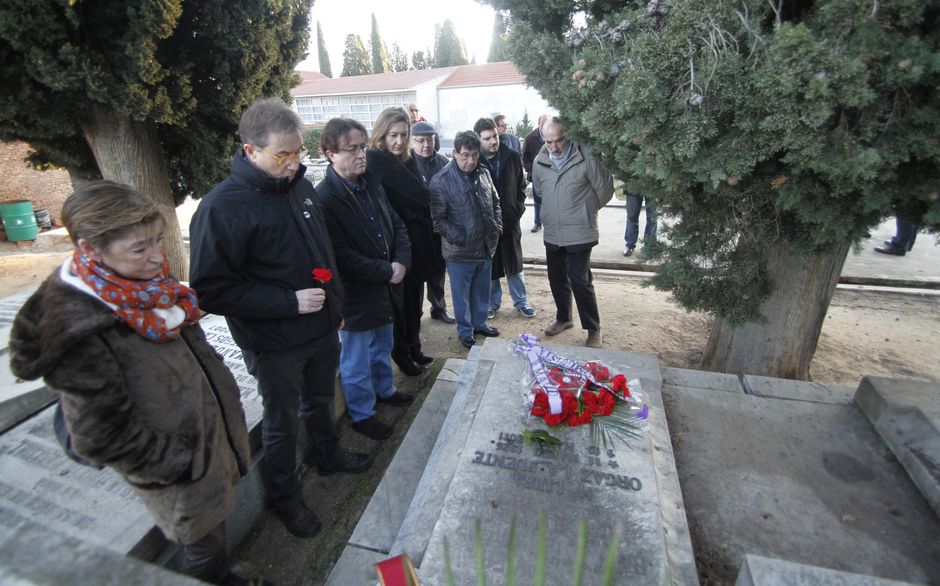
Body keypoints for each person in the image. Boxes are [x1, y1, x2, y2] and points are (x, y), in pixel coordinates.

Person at [8, 181, 255, 585]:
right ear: (90, 251)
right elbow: (100, 436)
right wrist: (182, 463)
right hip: (182, 472)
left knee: (215, 536)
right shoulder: (80, 331)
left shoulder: (140, 285)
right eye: (140, 248)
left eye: (158, 240)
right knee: (204, 550)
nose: (159, 257)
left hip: (209, 446)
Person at [189, 97, 372, 540]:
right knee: (281, 420)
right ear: (251, 151)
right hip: (274, 341)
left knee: (321, 399)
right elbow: (211, 290)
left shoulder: (298, 186)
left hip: (321, 326)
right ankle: (286, 497)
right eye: (283, 155)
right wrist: (287, 302)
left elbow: (321, 250)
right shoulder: (221, 208)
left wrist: (335, 304)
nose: (294, 164)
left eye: (298, 154)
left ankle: (328, 455)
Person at [317, 118, 415, 441]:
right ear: (331, 154)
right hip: (355, 295)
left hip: (385, 288)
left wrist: (400, 260)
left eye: (362, 147)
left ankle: (384, 389)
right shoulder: (325, 199)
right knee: (356, 358)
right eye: (352, 149)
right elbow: (341, 256)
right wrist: (388, 271)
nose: (362, 155)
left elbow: (397, 224)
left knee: (382, 345)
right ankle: (362, 413)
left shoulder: (371, 182)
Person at [366, 108, 443, 375]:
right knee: (400, 307)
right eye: (393, 135)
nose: (399, 141)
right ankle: (402, 353)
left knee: (415, 301)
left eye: (403, 134)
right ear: (382, 135)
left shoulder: (407, 160)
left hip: (417, 243)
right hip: (395, 246)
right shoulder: (375, 162)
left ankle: (414, 346)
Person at [531, 117, 614, 348]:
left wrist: (584, 210)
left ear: (567, 135)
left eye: (559, 140)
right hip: (553, 232)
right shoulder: (540, 161)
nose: (554, 147)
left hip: (581, 231)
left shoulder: (586, 155)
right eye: (549, 142)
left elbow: (605, 190)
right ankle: (564, 318)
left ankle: (593, 328)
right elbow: (539, 190)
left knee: (580, 279)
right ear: (542, 137)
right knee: (556, 278)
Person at [429, 131, 503, 350]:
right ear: (455, 153)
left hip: (485, 247)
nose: (470, 161)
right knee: (462, 297)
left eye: (474, 155)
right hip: (459, 252)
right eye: (465, 155)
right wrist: (461, 238)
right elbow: (438, 220)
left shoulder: (483, 173)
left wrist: (496, 228)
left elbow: (496, 203)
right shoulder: (441, 181)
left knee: (482, 292)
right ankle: (465, 331)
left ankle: (480, 324)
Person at [473, 117, 536, 319]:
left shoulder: (511, 156)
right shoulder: (474, 161)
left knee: (514, 264)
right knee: (490, 265)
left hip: (510, 220)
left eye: (495, 136)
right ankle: (492, 303)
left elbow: (521, 186)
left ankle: (521, 301)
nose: (493, 141)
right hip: (486, 225)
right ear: (478, 139)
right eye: (487, 138)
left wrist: (517, 210)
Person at [411, 121, 455, 325]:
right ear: (412, 142)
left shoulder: (444, 163)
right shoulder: (406, 164)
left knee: (438, 271)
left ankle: (438, 307)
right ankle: (415, 313)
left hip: (439, 228)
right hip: (416, 229)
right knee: (416, 275)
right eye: (420, 141)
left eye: (429, 140)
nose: (426, 145)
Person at [523, 114, 549, 233]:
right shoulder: (530, 138)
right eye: (542, 123)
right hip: (536, 174)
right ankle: (537, 223)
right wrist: (532, 169)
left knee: (552, 199)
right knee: (538, 200)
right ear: (539, 123)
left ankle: (550, 223)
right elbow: (525, 158)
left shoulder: (552, 135)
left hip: (551, 174)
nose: (544, 126)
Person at [623, 192, 657, 257]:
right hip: (632, 185)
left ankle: (650, 246)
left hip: (653, 185)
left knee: (652, 218)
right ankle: (630, 245)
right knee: (631, 217)